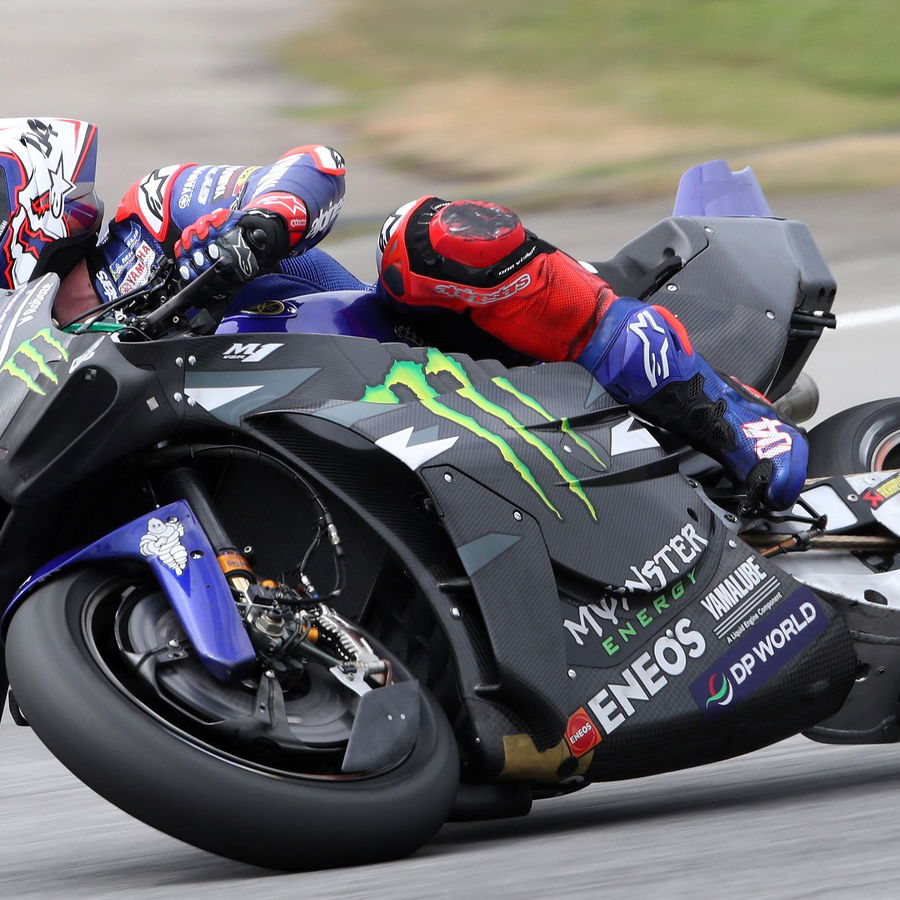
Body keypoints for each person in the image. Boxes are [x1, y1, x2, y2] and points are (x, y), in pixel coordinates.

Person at [0, 116, 806, 509]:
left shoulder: (150, 218)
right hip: (271, 469)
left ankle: (725, 413)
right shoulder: (24, 364)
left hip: (393, 363)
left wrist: (258, 227)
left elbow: (314, 165)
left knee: (423, 236)